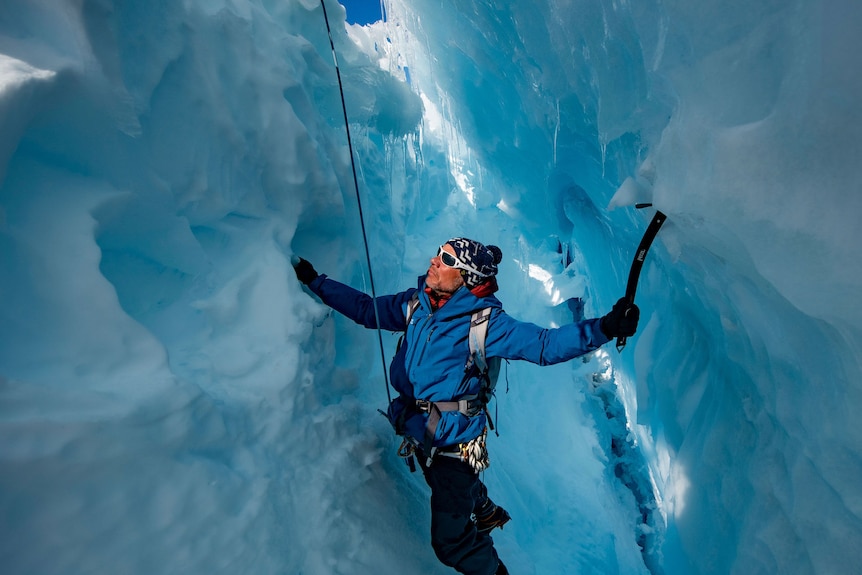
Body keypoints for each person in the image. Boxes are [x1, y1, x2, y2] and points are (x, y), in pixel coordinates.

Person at [293, 237, 639, 575]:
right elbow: (367, 310)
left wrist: (605, 328)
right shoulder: (417, 304)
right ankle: (482, 507)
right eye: (438, 253)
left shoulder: (485, 324)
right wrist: (315, 280)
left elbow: (544, 345)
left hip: (454, 448)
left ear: (465, 278)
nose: (433, 260)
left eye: (445, 259)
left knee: (451, 543)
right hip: (419, 427)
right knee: (442, 484)